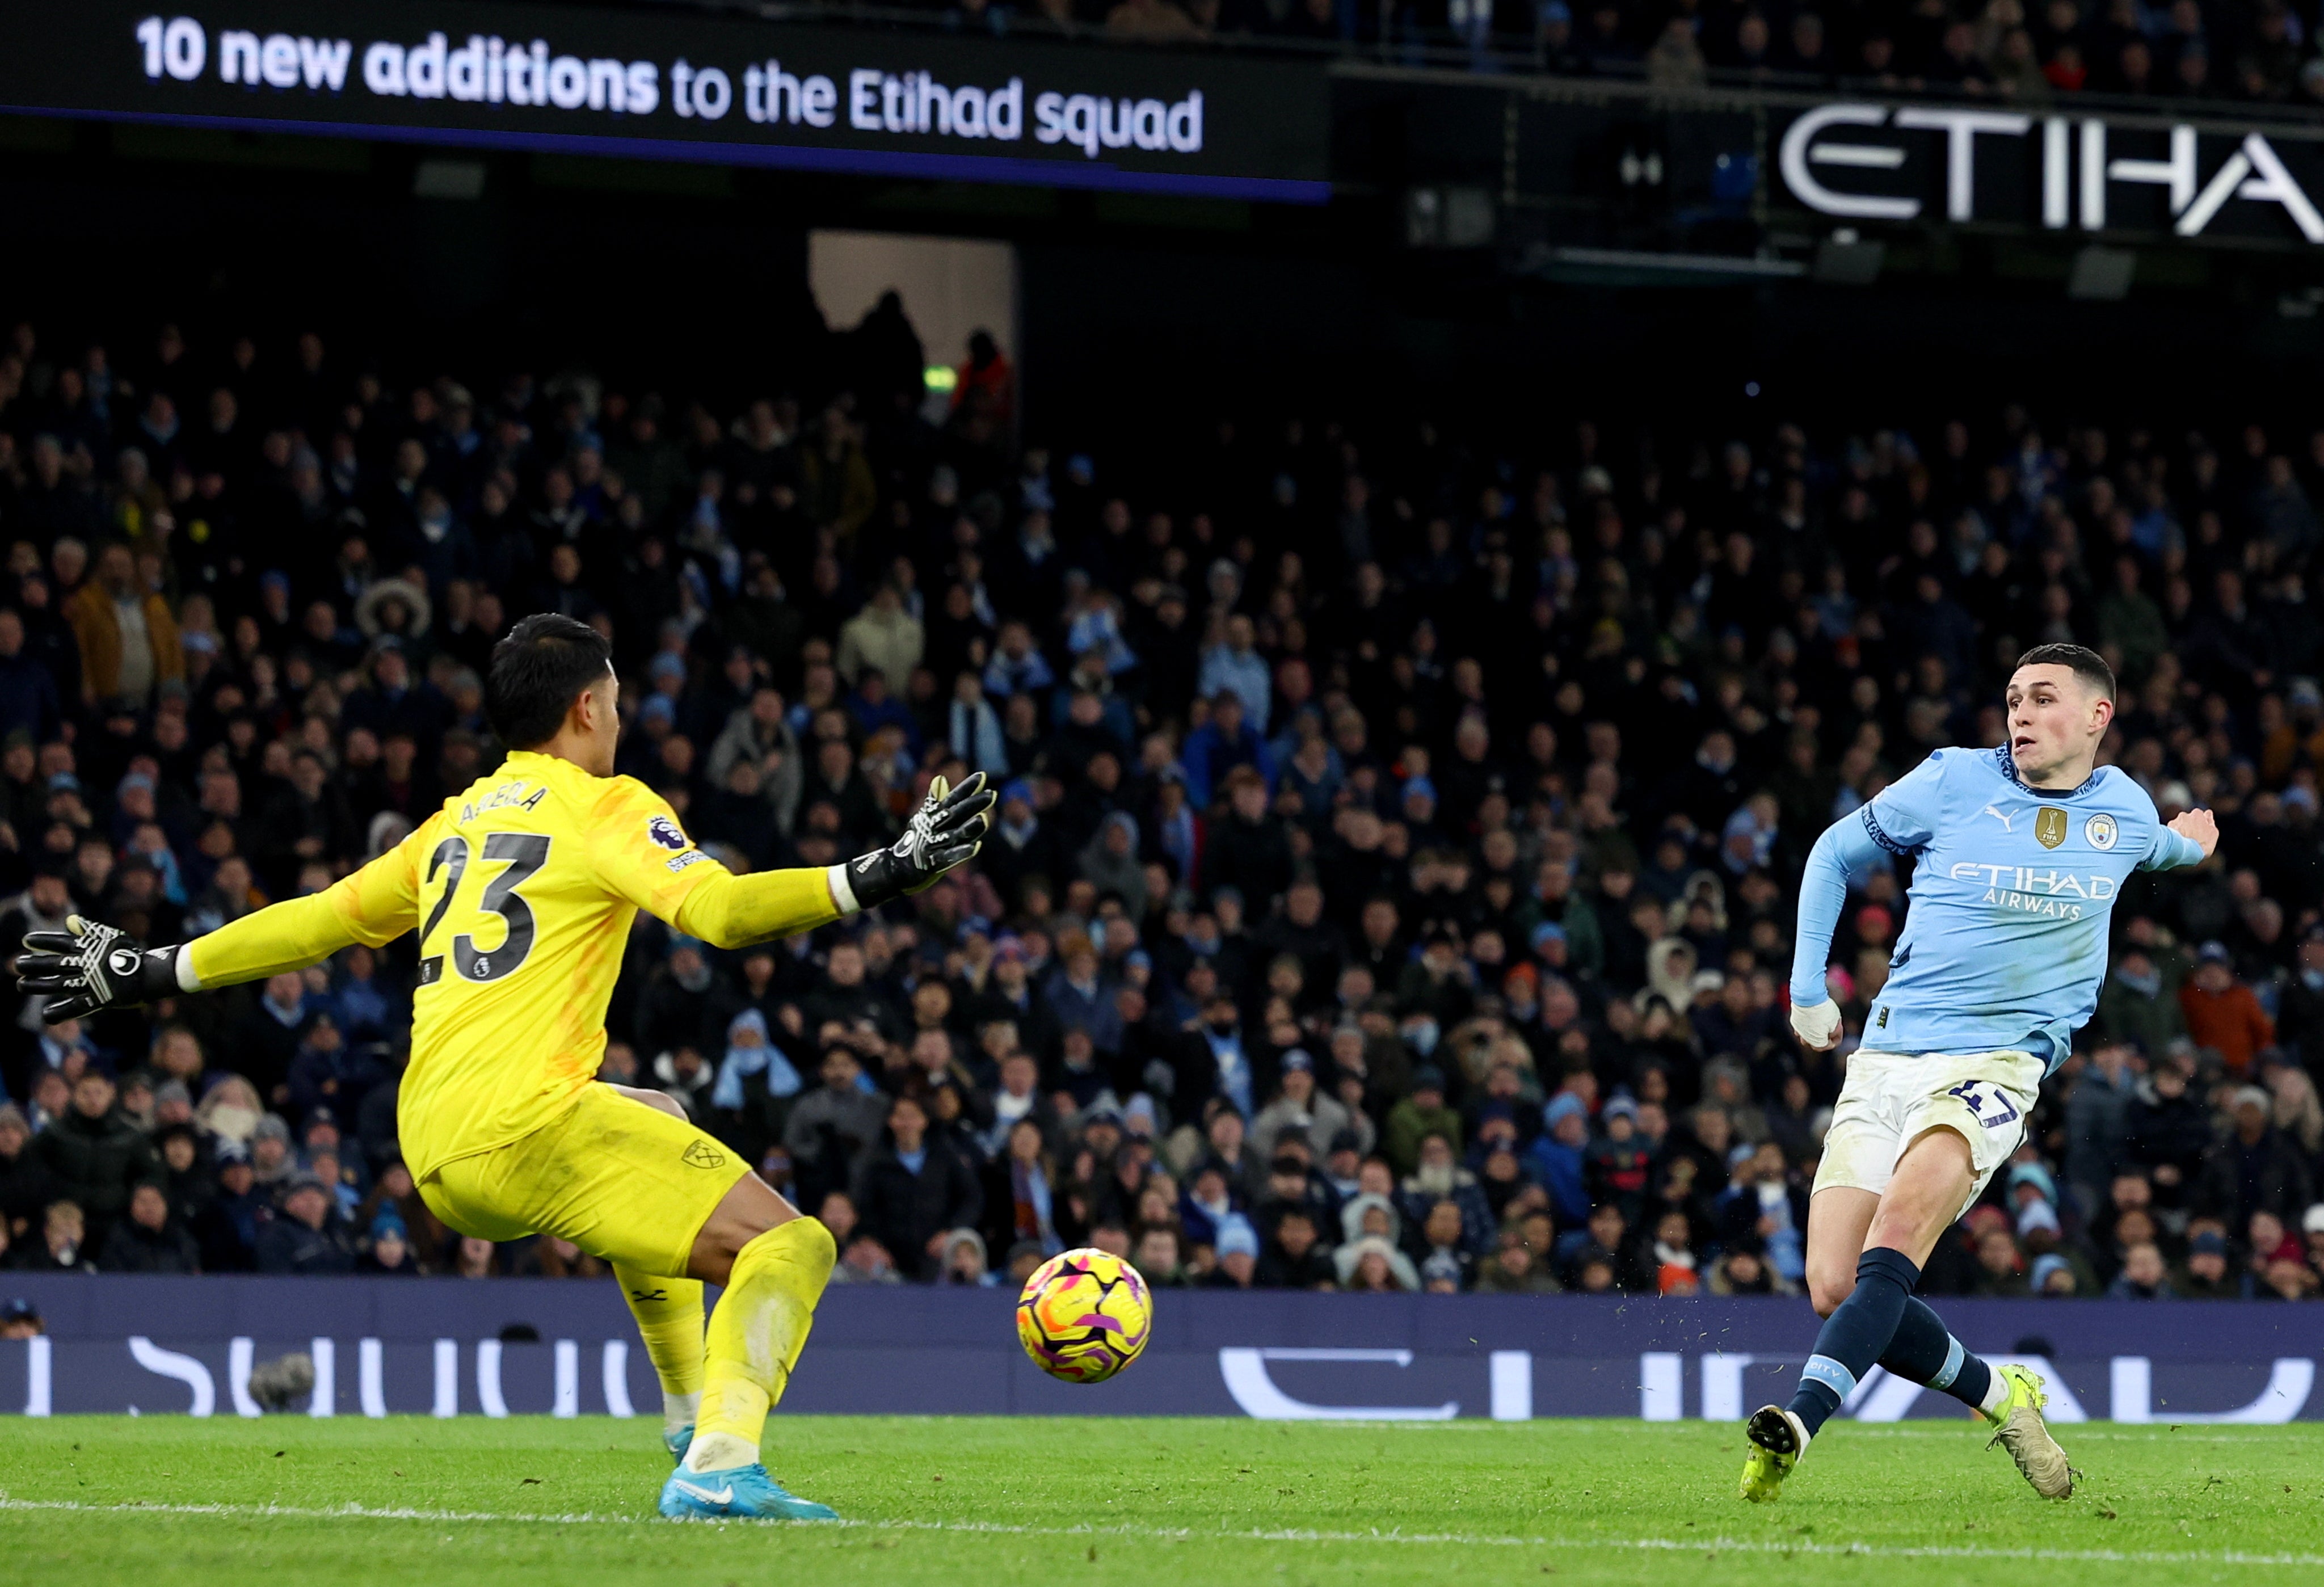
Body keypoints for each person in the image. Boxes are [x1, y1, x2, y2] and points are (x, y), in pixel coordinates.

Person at [15, 614, 992, 1523]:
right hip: (528, 1128)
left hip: (437, 1141)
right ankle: (722, 1463)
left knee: (659, 1115)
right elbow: (723, 914)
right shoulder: (606, 807)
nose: (619, 718)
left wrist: (153, 967)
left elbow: (319, 918)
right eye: (614, 701)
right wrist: (879, 871)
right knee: (791, 1246)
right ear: (586, 708)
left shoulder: (458, 822)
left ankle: (689, 1414)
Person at [1744, 645, 2214, 1504]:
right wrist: (1807, 987)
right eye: (2012, 699)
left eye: (2043, 698)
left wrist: (2192, 843)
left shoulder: (2123, 810)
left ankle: (1801, 1419)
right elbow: (1831, 853)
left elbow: (2162, 850)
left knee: (1896, 1244)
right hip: (1887, 1054)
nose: (2021, 714)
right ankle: (2005, 1396)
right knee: (1834, 1287)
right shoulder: (1952, 781)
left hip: (1998, 1065)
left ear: (2098, 717)